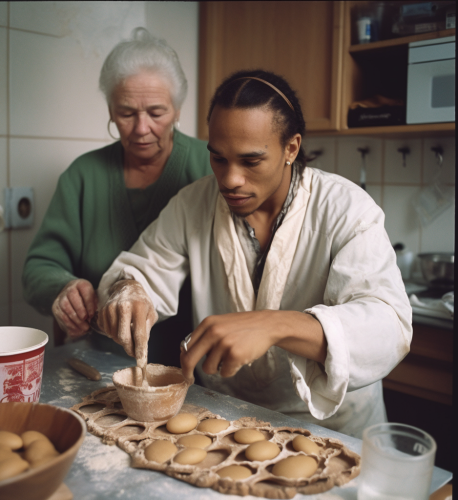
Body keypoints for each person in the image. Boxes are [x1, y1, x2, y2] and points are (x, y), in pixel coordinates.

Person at [96, 69, 412, 438]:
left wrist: (273, 323)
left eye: (250, 161)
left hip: (333, 428)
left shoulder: (346, 208)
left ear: (290, 148)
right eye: (218, 159)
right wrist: (129, 291)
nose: (229, 179)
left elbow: (389, 327)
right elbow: (141, 272)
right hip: (224, 421)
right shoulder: (192, 204)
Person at [22, 28, 211, 363]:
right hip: (99, 360)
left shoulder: (211, 169)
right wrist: (62, 289)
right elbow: (38, 267)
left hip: (194, 366)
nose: (141, 128)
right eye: (126, 113)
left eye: (156, 112)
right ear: (110, 110)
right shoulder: (83, 175)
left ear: (178, 110)